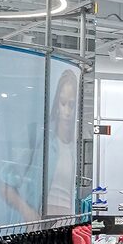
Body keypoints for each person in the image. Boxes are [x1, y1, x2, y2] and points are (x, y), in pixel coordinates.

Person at [45, 68, 79, 214]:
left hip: (67, 219)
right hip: (42, 219)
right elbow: (6, 184)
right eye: (62, 103)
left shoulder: (74, 149)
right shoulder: (45, 143)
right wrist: (28, 212)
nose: (66, 111)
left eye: (71, 105)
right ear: (56, 104)